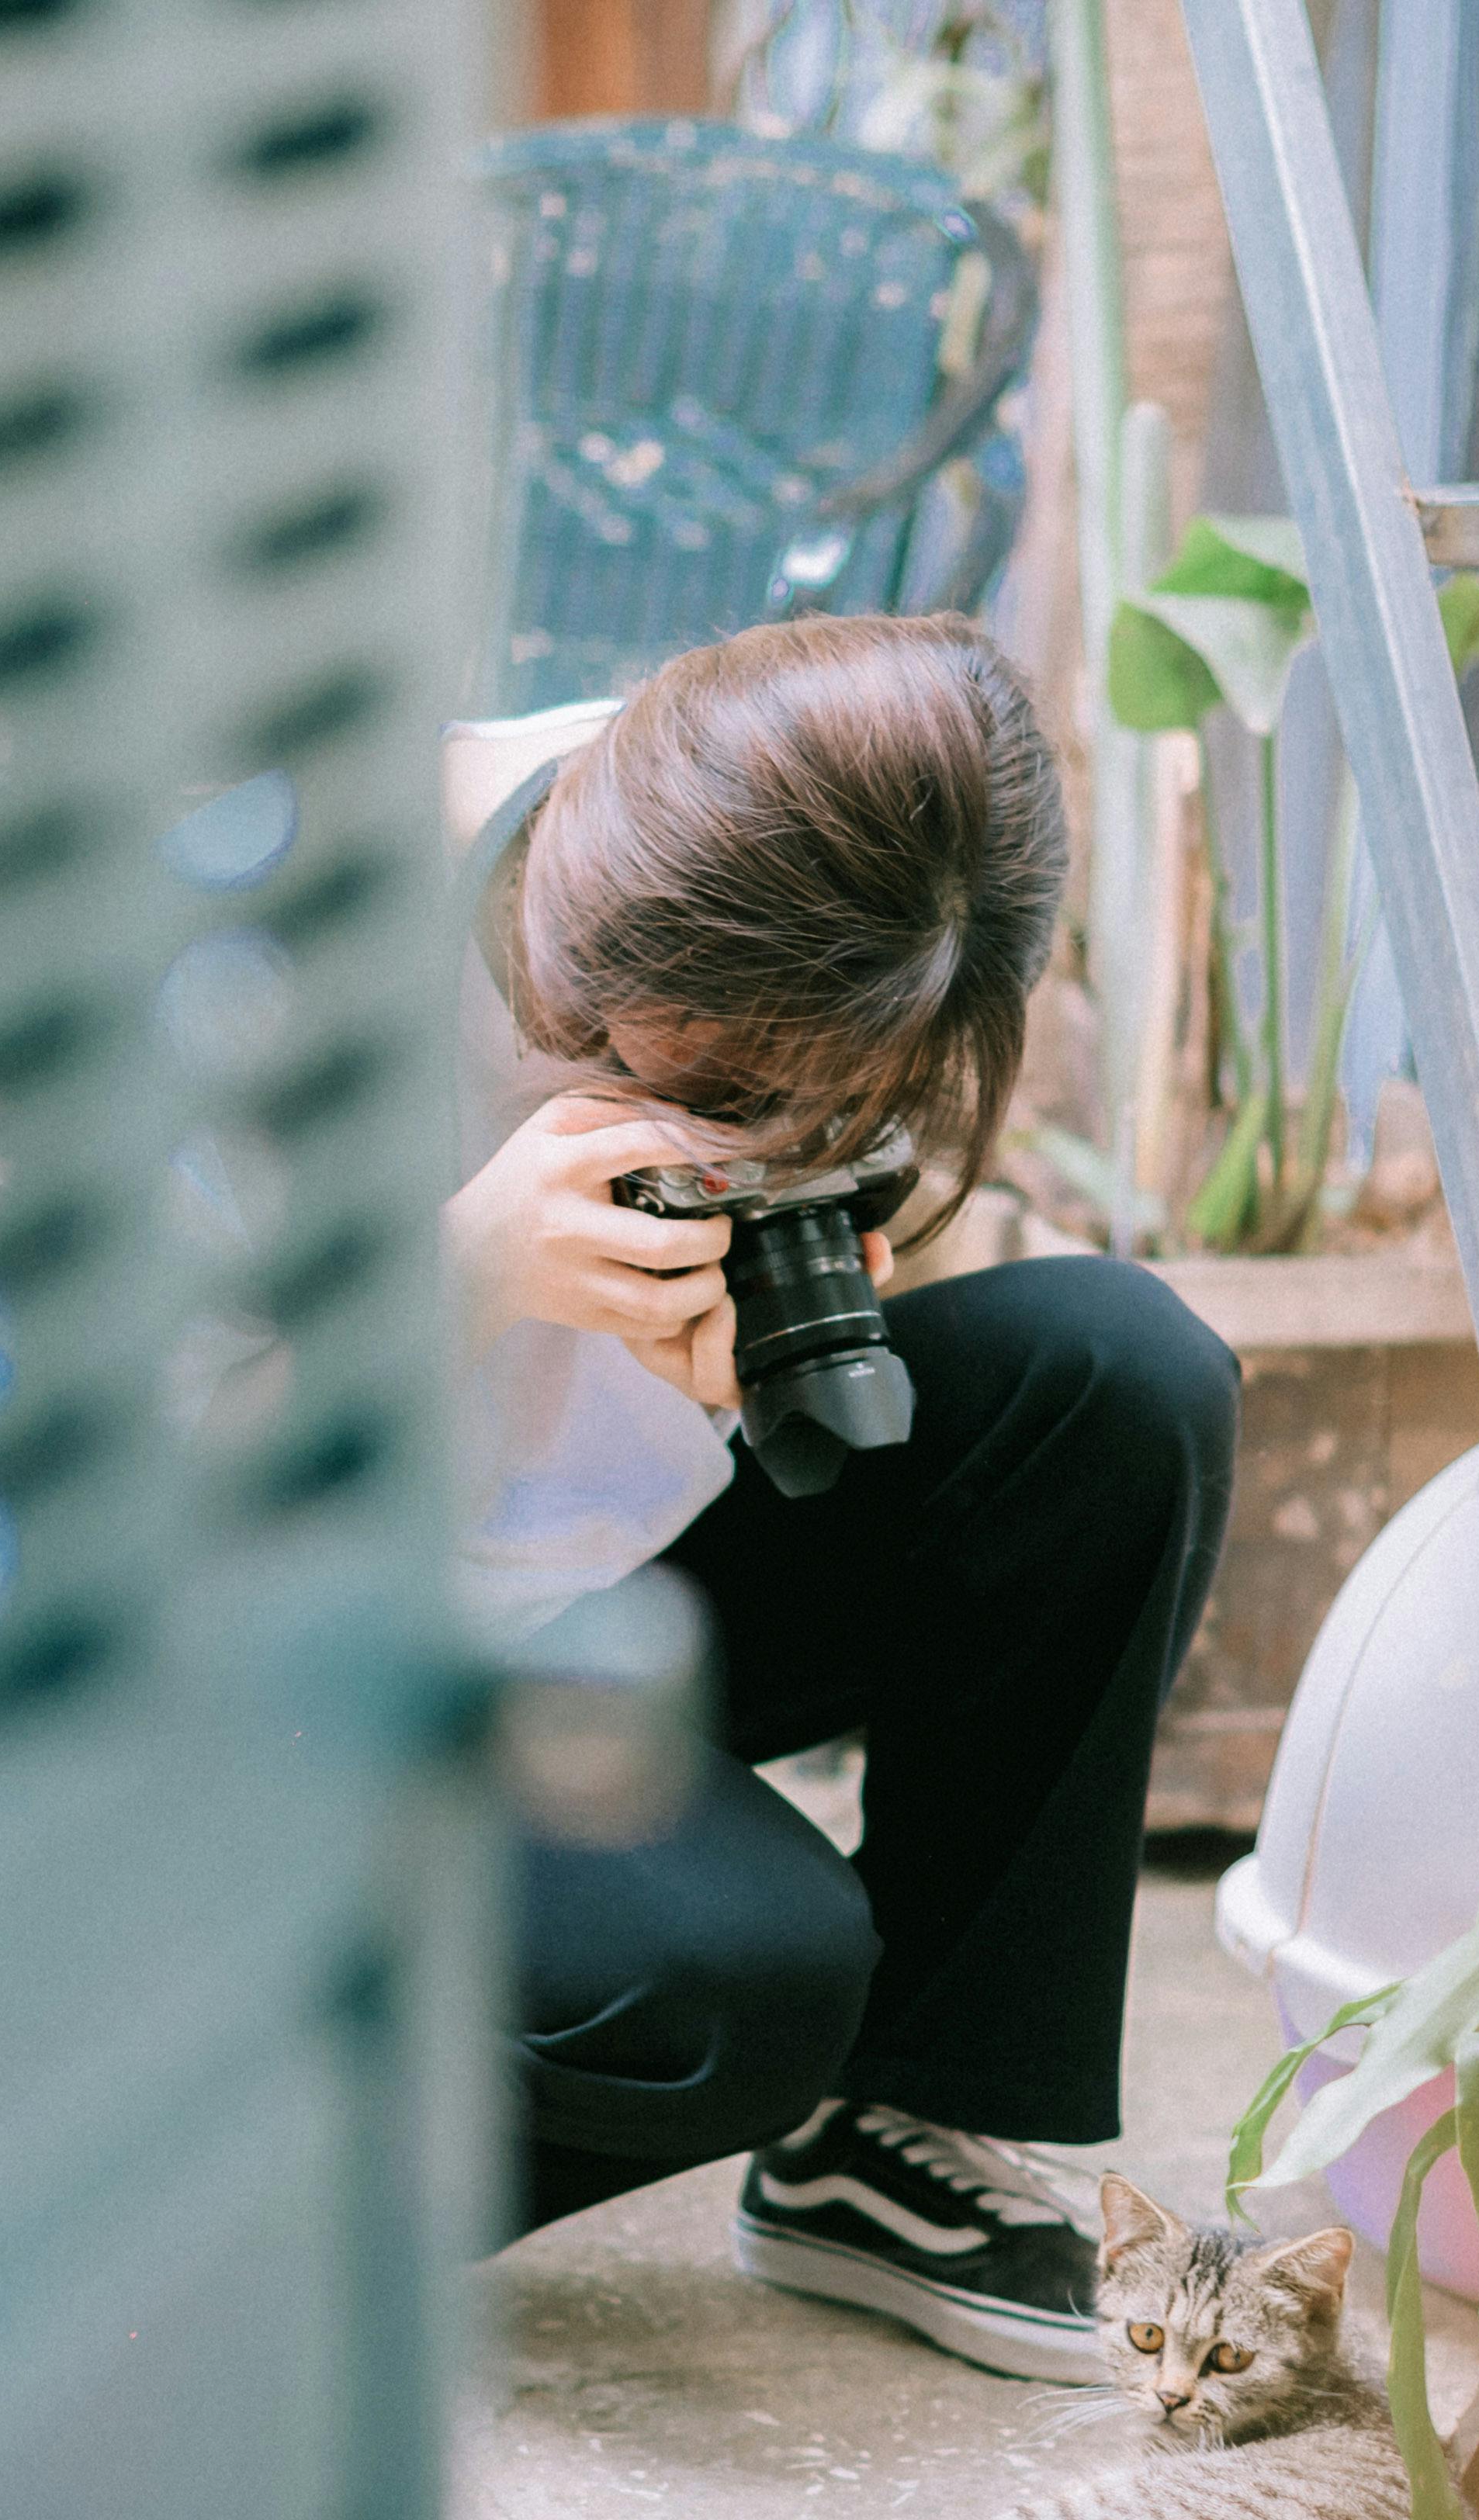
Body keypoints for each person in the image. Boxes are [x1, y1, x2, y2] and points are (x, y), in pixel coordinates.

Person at [445, 614, 1238, 2382]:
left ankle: (900, 2141)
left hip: (589, 1600)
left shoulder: (852, 924)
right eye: (711, 1082)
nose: (762, 1122)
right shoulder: (279, 931)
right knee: (741, 1977)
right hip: (298, 1664)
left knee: (1114, 1373)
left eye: (828, 1101)